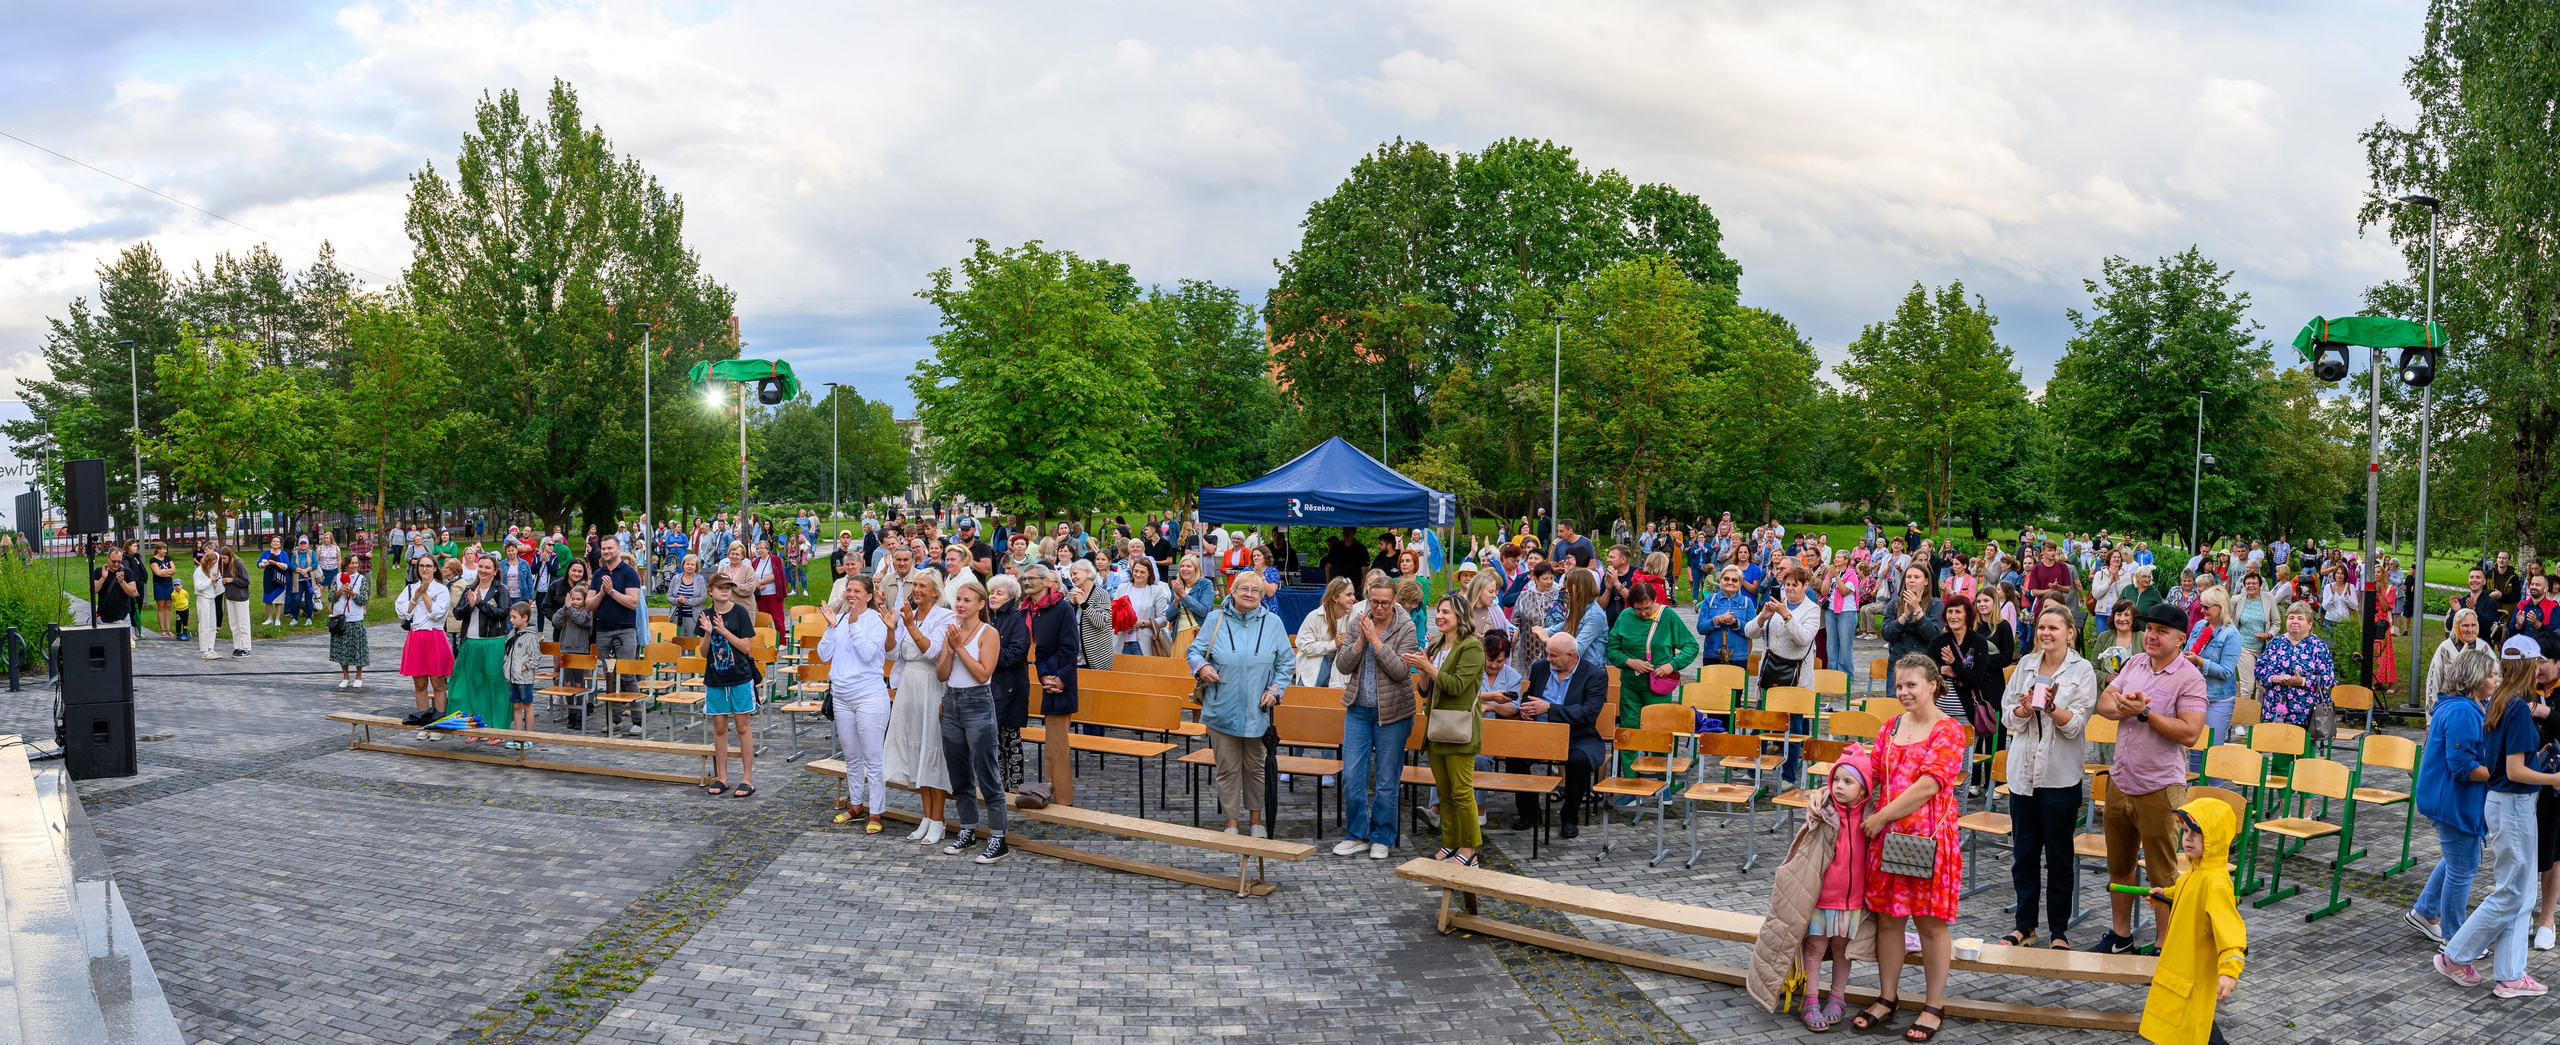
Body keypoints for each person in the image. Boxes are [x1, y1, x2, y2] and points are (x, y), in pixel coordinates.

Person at [1847, 654, 1966, 1040]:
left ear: (1932, 685)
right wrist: (1838, 788)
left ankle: (1934, 1005)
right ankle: (1887, 997)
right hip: (1887, 840)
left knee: (1929, 923)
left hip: (1926, 840)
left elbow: (1929, 786)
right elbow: (1872, 773)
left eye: (1912, 685)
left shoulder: (1949, 730)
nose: (1904, 692)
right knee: (1888, 919)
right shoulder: (1891, 725)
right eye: (1899, 685)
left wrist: (1881, 817)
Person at [2436, 635, 2560, 997]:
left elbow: (2504, 763)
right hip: (2514, 804)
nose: (2539, 668)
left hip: (2504, 802)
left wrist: (2537, 759)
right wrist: (2554, 778)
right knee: (2512, 893)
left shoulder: (2500, 700)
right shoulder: (2518, 707)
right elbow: (2515, 770)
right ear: (2529, 665)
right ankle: (2455, 955)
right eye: (2536, 662)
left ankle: (2510, 975)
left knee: (2521, 894)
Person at [2091, 602, 2210, 956]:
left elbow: (2190, 733)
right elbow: (2104, 703)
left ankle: (2165, 944)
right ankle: (2121, 935)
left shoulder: (2190, 677)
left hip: (2160, 788)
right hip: (2121, 780)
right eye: (2151, 630)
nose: (2152, 636)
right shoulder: (2135, 663)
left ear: (2181, 638)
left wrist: (2144, 712)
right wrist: (2125, 707)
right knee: (2119, 866)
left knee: (2162, 874)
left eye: (2162, 631)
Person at [1747, 743, 1875, 1032]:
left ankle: (1838, 998)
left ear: (1864, 790)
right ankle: (1810, 1001)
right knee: (1815, 948)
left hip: (1852, 902)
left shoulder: (1871, 818)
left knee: (1842, 950)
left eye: (1848, 781)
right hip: (1821, 899)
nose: (1839, 786)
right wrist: (1819, 801)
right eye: (1836, 780)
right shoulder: (1823, 813)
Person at [1998, 605, 2097, 949]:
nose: (2046, 633)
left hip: (2059, 777)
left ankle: (2058, 931)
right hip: (2023, 775)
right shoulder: (2025, 665)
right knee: (2023, 855)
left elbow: (2076, 726)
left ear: (2070, 633)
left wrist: (2052, 707)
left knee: (2058, 858)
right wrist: (2025, 708)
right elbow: (2007, 716)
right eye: (2042, 627)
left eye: (2054, 628)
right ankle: (2025, 925)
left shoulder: (2082, 670)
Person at [1189, 572, 1294, 837]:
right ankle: (1231, 823)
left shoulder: (1273, 623)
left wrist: (1275, 690)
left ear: (1262, 595)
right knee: (1227, 769)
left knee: (1256, 768)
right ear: (1232, 591)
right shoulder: (1215, 619)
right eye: (1244, 589)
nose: (1249, 594)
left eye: (1255, 590)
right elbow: (1194, 651)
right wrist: (1202, 667)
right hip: (1222, 708)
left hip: (1258, 710)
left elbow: (1286, 663)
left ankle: (1256, 821)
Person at [2135, 799, 2249, 1045]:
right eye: (2185, 831)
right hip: (2179, 969)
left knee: (2196, 1028)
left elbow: (2231, 934)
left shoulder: (2216, 884)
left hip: (2194, 975)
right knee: (2184, 1028)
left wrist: (2229, 972)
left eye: (2196, 833)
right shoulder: (2195, 873)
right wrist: (2165, 896)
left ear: (2215, 838)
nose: (2187, 838)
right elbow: (2186, 893)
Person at [2409, 647, 2495, 947]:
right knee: (2463, 868)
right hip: (2452, 802)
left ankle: (2425, 911)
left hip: (2449, 799)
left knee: (2456, 859)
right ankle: (2455, 939)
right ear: (2475, 679)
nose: (2496, 680)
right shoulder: (2462, 711)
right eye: (2491, 675)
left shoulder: (2467, 705)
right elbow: (2463, 767)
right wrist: (2503, 773)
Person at [1329, 577, 1418, 856]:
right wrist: (1360, 641)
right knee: (1352, 776)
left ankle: (1382, 837)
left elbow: (1401, 671)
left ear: (1395, 601)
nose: (1378, 608)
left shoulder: (1406, 626)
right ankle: (1358, 834)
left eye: (1385, 603)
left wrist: (1376, 642)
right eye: (1374, 601)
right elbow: (1343, 666)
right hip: (1358, 708)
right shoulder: (1358, 621)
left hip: (1393, 712)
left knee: (1386, 780)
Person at [1490, 630, 1607, 841]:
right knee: (1515, 758)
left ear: (1570, 656)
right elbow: (1530, 695)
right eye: (1547, 653)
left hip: (1576, 736)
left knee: (1579, 762)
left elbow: (1588, 713)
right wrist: (1526, 709)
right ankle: (1530, 814)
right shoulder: (1541, 667)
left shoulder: (1594, 675)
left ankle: (1569, 818)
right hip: (1539, 733)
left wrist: (1550, 709)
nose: (1548, 659)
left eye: (1553, 655)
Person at [933, 577, 1011, 863]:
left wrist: (959, 648)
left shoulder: (988, 633)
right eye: (958, 599)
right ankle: (968, 828)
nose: (960, 604)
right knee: (959, 773)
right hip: (952, 702)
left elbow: (982, 674)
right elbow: (941, 674)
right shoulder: (952, 631)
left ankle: (999, 837)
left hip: (977, 703)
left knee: (986, 772)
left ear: (980, 604)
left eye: (967, 600)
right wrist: (950, 650)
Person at [1410, 593, 1487, 865]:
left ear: (1460, 617)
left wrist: (1428, 668)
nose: (1440, 616)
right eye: (1439, 611)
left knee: (1462, 792)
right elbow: (1425, 691)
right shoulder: (1436, 645)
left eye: (1446, 612)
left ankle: (1469, 850)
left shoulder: (1472, 646)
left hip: (1459, 729)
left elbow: (1456, 686)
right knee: (1444, 792)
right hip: (1436, 727)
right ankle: (1450, 843)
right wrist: (1423, 673)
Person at [885, 569, 955, 843]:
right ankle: (926, 816)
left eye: (923, 586)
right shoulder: (909, 614)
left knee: (933, 750)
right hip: (909, 686)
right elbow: (893, 653)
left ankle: (939, 818)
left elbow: (933, 652)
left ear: (935, 592)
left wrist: (911, 626)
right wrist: (892, 629)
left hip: (931, 685)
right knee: (916, 751)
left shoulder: (945, 616)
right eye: (915, 585)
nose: (916, 590)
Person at [1608, 578, 1698, 774]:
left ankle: (1662, 781)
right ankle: (1630, 780)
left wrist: (1671, 665)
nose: (1643, 613)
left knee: (1659, 733)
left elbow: (1691, 646)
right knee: (1629, 732)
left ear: (1655, 600)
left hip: (1658, 687)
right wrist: (1629, 661)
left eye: (1647, 608)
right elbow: (1612, 649)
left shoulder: (1668, 616)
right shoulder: (1625, 616)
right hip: (1631, 686)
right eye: (1638, 609)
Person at [698, 574, 761, 798]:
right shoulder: (705, 614)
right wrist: (708, 633)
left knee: (743, 726)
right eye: (720, 587)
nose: (725, 591)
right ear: (710, 591)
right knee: (719, 728)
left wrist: (724, 631)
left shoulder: (740, 612)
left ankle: (747, 778)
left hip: (740, 677)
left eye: (728, 587)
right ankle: (722, 777)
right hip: (715, 678)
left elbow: (745, 647)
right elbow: (703, 652)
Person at [448, 556, 513, 747]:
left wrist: (480, 604)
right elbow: (457, 613)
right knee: (474, 686)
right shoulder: (470, 588)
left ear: (495, 570)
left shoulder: (501, 589)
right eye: (481, 567)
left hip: (493, 643)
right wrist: (469, 606)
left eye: (487, 568)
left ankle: (498, 729)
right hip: (471, 642)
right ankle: (478, 727)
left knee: (495, 685)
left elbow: (503, 613)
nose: (483, 570)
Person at [590, 536, 646, 737]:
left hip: (625, 631)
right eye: (603, 548)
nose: (606, 551)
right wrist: (601, 593)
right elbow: (589, 604)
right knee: (610, 676)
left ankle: (638, 720)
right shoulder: (599, 573)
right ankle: (614, 720)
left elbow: (633, 602)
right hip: (603, 631)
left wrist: (612, 591)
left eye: (610, 548)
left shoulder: (629, 572)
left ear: (618, 548)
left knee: (628, 675)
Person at [2251, 603, 2334, 729]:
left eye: (2300, 618)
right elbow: (2259, 669)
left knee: (2302, 742)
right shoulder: (2276, 643)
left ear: (2310, 624)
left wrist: (2303, 681)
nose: (2295, 621)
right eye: (2291, 618)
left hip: (2307, 714)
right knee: (2276, 741)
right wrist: (2273, 678)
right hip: (2274, 709)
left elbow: (2328, 679)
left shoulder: (2318, 646)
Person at [394, 566, 454, 733]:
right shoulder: (410, 588)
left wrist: (425, 594)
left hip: (434, 636)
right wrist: (415, 596)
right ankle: (423, 722)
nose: (424, 569)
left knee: (438, 684)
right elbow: (402, 612)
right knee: (420, 685)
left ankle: (439, 724)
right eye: (421, 566)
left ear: (434, 568)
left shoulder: (441, 589)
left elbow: (437, 614)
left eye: (428, 566)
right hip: (416, 637)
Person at [2187, 588, 2242, 761]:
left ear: (2221, 607)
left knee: (2211, 751)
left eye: (2206, 607)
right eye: (2201, 605)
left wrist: (2200, 661)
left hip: (2218, 699)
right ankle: (2195, 779)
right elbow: (2187, 651)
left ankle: (2211, 780)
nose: (2202, 610)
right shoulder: (2199, 626)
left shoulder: (2231, 634)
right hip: (2194, 695)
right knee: (2195, 748)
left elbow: (2226, 671)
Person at [1296, 577, 1354, 687]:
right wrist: (1333, 644)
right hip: (1313, 674)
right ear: (1335, 598)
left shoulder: (1353, 616)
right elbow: (1304, 645)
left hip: (1339, 674)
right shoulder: (1315, 616)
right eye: (1348, 595)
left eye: (1353, 594)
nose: (1353, 598)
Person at [1882, 564, 1943, 667]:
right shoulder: (1895, 604)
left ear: (1926, 581)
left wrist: (1918, 610)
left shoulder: (1935, 605)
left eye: (1917, 577)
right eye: (1908, 577)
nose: (1911, 580)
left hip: (1924, 665)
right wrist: (1904, 616)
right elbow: (1886, 634)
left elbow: (1932, 635)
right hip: (1898, 664)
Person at [328, 553, 372, 689]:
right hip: (340, 618)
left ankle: (358, 676)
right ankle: (345, 676)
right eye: (352, 563)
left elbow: (363, 600)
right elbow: (331, 598)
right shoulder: (337, 577)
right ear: (346, 565)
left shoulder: (361, 579)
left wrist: (352, 593)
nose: (355, 565)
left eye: (356, 563)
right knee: (342, 649)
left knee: (357, 649)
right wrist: (339, 592)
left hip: (355, 618)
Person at [501, 600, 541, 737]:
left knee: (527, 705)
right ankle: (518, 735)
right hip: (512, 676)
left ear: (525, 618)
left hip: (524, 678)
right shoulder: (512, 634)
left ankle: (528, 735)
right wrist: (507, 665)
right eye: (510, 617)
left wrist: (524, 668)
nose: (511, 620)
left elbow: (536, 657)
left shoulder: (530, 637)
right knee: (516, 705)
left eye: (514, 617)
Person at [89, 543, 138, 631]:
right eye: (113, 561)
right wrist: (103, 578)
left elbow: (133, 593)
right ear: (108, 558)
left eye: (119, 562)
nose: (116, 564)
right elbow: (92, 590)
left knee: (125, 640)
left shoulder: (127, 572)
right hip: (104, 618)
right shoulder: (99, 571)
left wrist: (122, 582)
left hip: (123, 617)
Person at [147, 542, 175, 639]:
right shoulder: (153, 560)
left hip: (168, 584)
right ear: (158, 550)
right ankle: (162, 629)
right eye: (163, 549)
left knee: (168, 607)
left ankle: (168, 629)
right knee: (160, 607)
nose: (165, 551)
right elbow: (157, 573)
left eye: (165, 549)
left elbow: (173, 570)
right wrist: (167, 572)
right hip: (159, 584)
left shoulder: (168, 559)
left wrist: (163, 571)